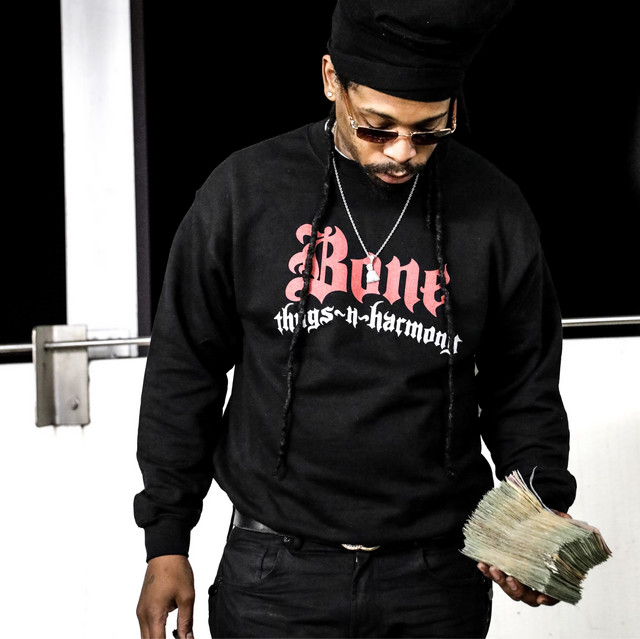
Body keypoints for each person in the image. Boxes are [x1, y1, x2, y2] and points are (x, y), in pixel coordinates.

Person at [134, 1, 577, 637]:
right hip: (274, 572)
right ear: (330, 80)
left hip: (434, 579)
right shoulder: (245, 191)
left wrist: (537, 515)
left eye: (429, 131)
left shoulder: (494, 208)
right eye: (377, 127)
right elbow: (184, 370)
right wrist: (166, 540)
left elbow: (523, 387)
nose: (402, 152)